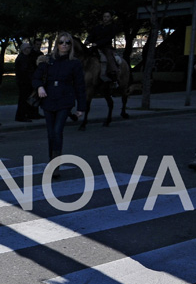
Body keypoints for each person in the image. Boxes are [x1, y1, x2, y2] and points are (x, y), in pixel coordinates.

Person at [33, 32, 86, 170]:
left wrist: (81, 107)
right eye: (61, 42)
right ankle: (52, 160)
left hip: (64, 100)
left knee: (57, 131)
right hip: (48, 99)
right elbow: (36, 77)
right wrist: (39, 87)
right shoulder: (47, 60)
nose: (64, 45)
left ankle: (55, 165)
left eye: (67, 42)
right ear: (57, 44)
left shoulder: (74, 63)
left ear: (71, 45)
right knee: (51, 133)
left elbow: (80, 85)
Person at [85, 11, 120, 84]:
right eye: (104, 16)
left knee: (109, 57)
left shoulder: (112, 27)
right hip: (95, 47)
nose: (105, 18)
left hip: (106, 47)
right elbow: (92, 35)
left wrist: (97, 43)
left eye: (107, 17)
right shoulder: (97, 27)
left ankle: (113, 75)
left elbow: (108, 38)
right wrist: (88, 40)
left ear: (110, 18)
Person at [14, 41, 39, 122]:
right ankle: (21, 115)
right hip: (24, 82)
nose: (30, 50)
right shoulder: (22, 59)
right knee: (23, 99)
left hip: (25, 81)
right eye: (28, 48)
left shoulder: (25, 58)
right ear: (25, 49)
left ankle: (28, 114)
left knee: (25, 99)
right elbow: (24, 71)